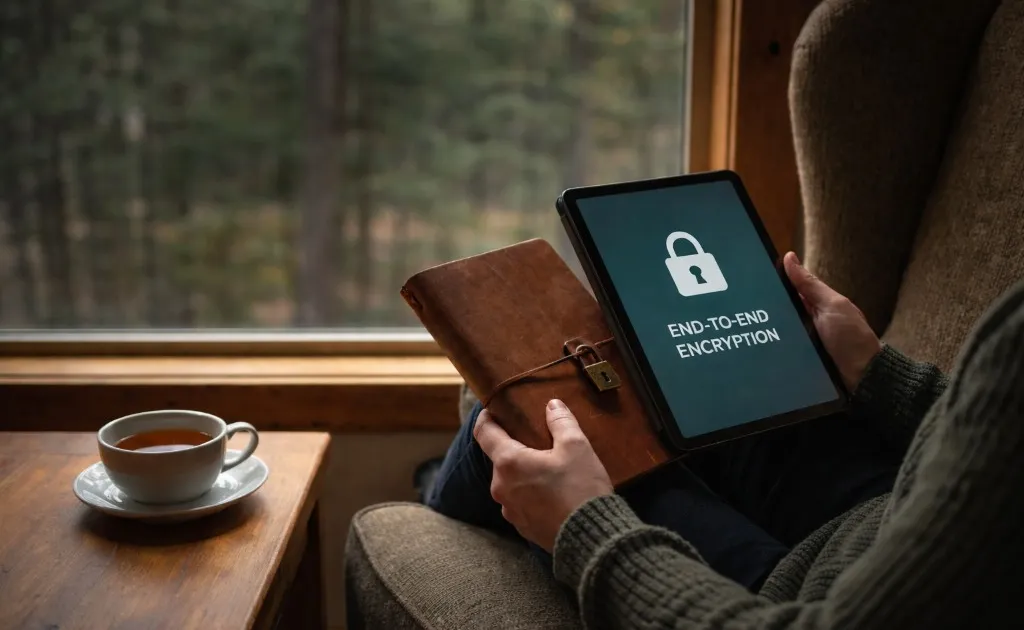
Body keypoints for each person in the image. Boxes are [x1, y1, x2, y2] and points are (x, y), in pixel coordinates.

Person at [423, 251, 1024, 628]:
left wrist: (584, 525)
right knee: (645, 376)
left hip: (809, 592)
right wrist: (876, 372)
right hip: (892, 494)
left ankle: (443, 483)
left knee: (529, 416)